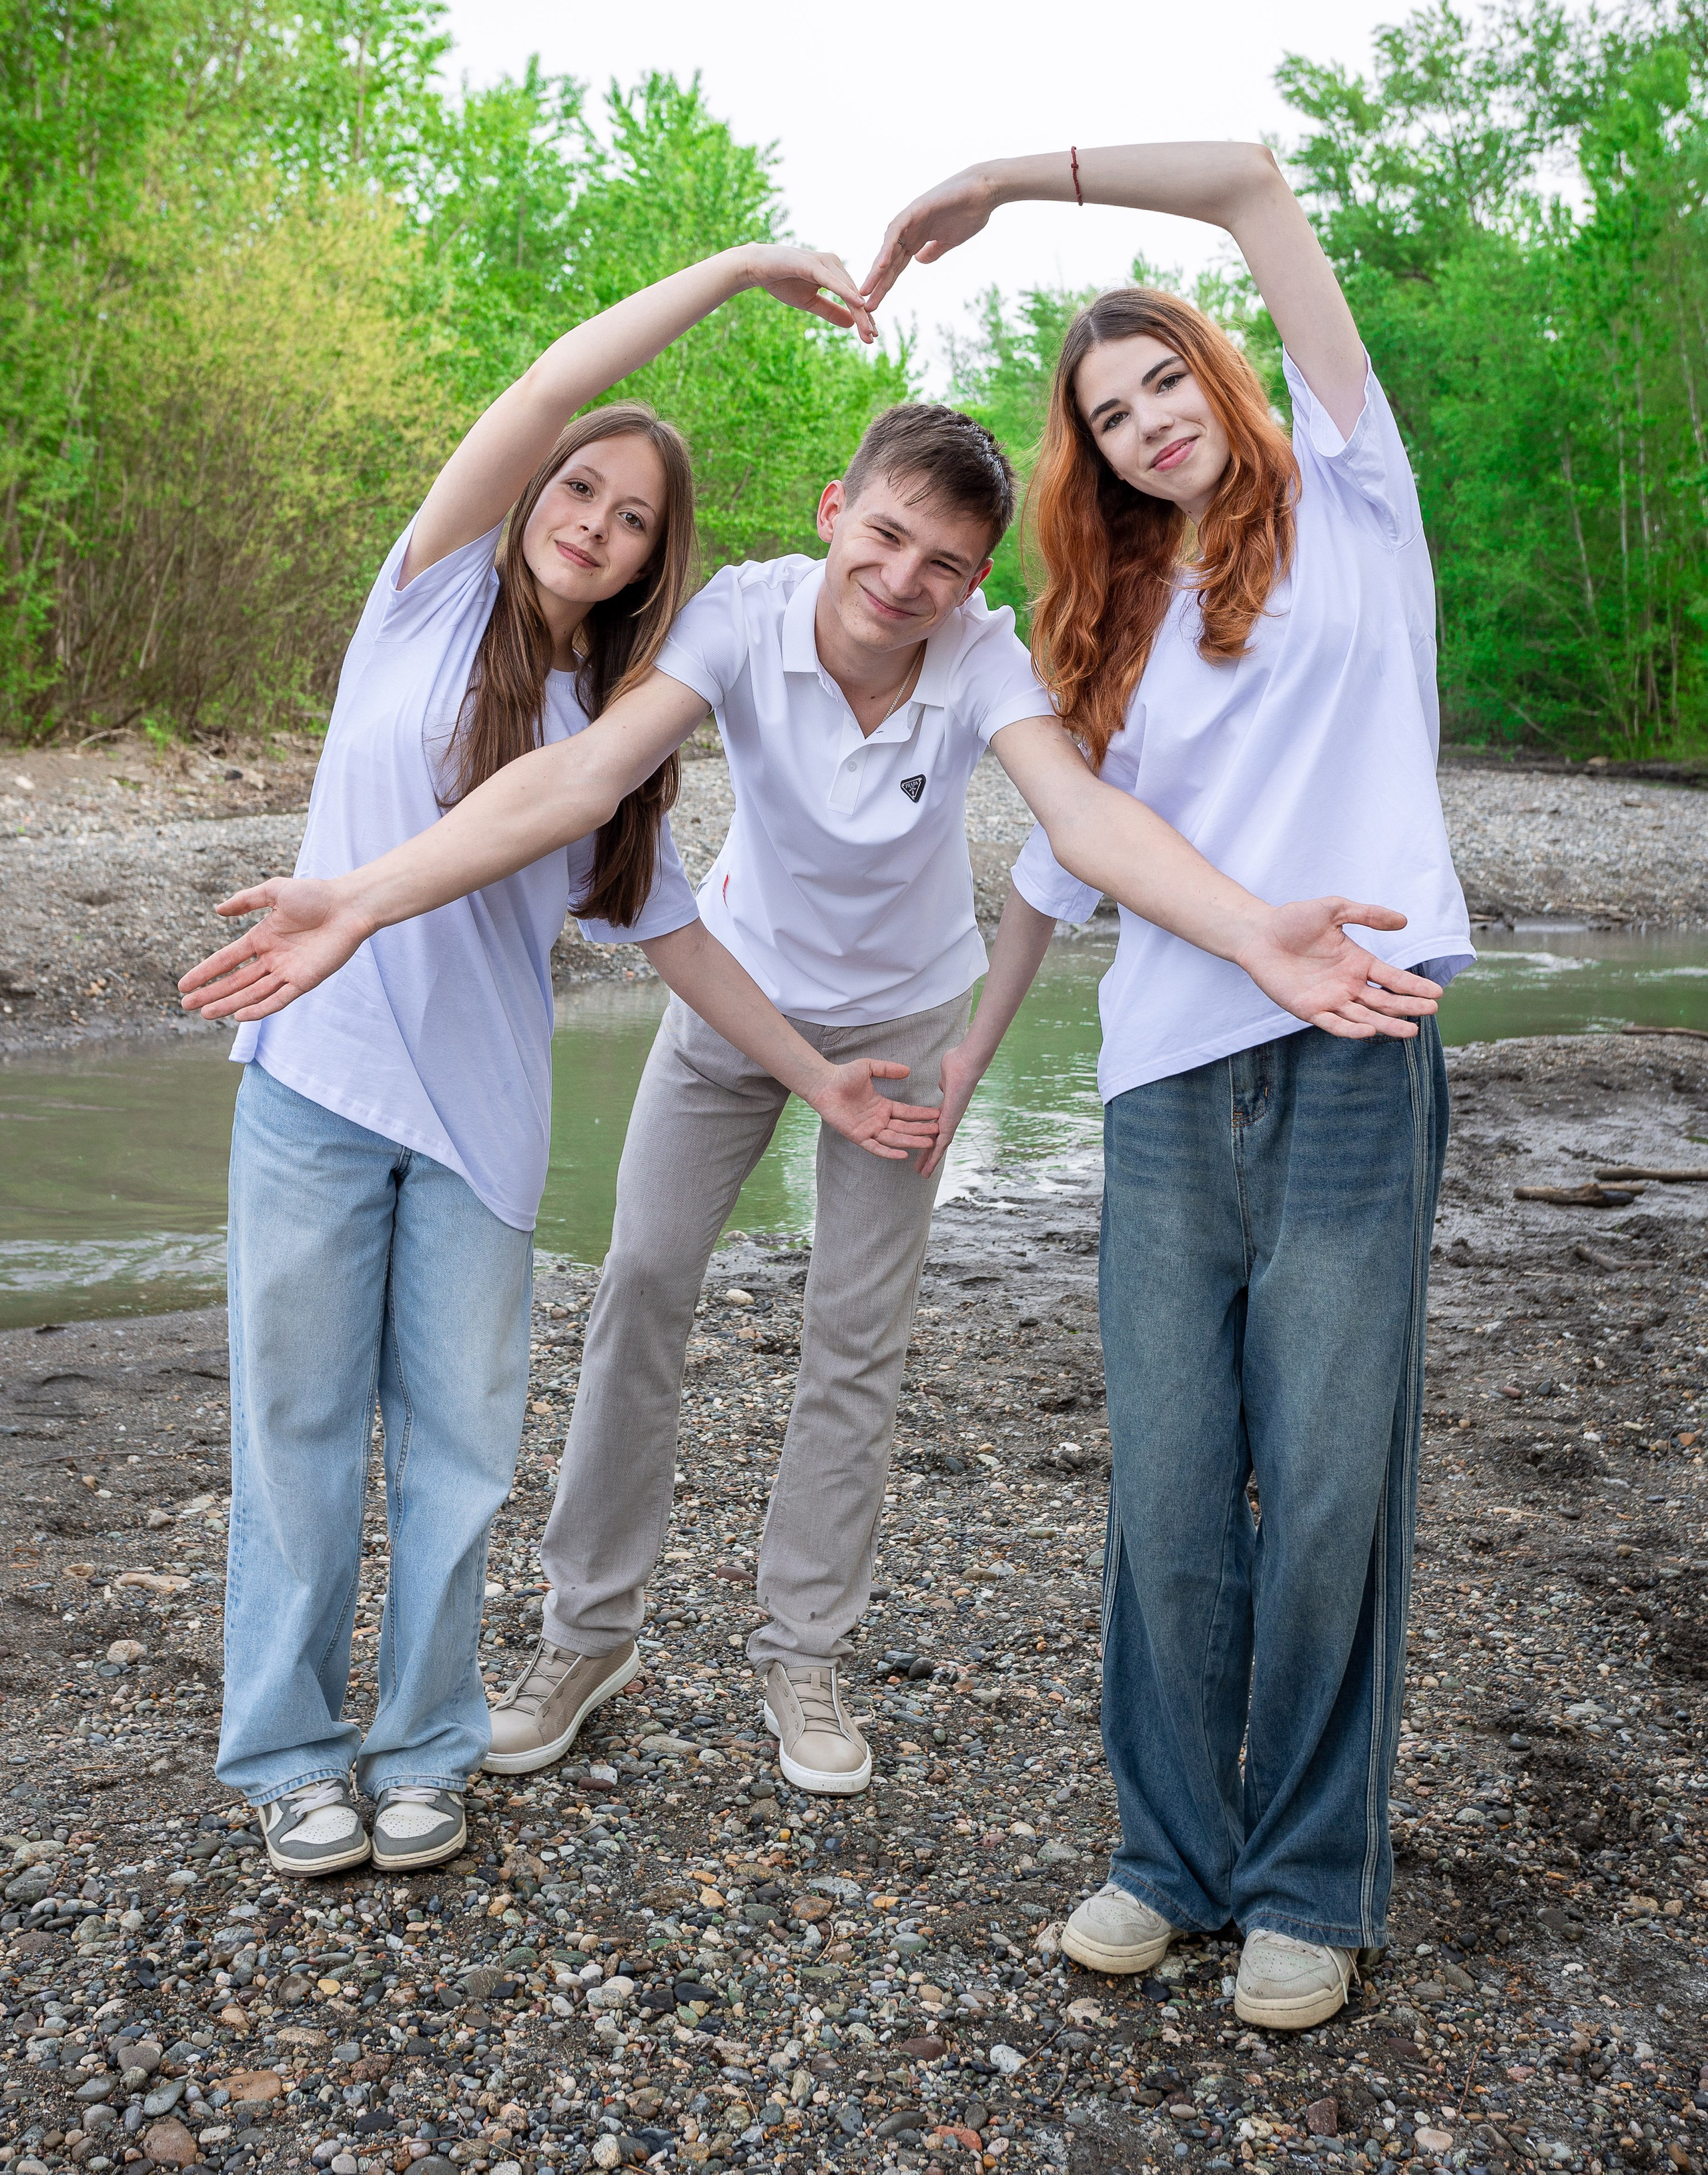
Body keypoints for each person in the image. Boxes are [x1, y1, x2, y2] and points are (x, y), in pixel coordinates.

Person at [181, 362, 1440, 1813]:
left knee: (855, 1336)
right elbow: (585, 782)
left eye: (947, 566)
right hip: (737, 1001)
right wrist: (357, 898)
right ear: (836, 512)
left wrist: (1244, 932)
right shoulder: (741, 615)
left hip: (906, 1015)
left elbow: (1081, 820)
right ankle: (583, 1641)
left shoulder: (979, 659)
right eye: (884, 538)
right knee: (639, 1282)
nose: (903, 581)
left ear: (976, 584)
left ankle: (804, 1654)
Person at [202, 241, 945, 1881]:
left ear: (646, 567)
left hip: (483, 1128)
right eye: (583, 489)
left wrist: (822, 1079)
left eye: (631, 523)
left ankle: (422, 1750)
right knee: (299, 1435)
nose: (594, 525)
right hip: (316, 1088)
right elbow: (550, 378)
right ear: (538, 484)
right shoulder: (425, 594)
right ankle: (289, 1757)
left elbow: (682, 941)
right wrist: (746, 269)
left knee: (461, 1457)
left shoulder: (613, 730)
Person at [859, 139, 1473, 2026]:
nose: (1147, 426)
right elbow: (1064, 870)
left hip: (1357, 1055)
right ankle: (1166, 1853)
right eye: (1111, 419)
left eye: (1164, 385)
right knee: (1175, 1492)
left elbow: (1252, 183)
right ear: (1096, 461)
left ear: (1223, 375)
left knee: (1334, 1484)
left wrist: (1005, 181)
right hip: (1164, 1085)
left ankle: (1304, 1882)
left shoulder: (1359, 496)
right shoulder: (1104, 622)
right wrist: (967, 1058)